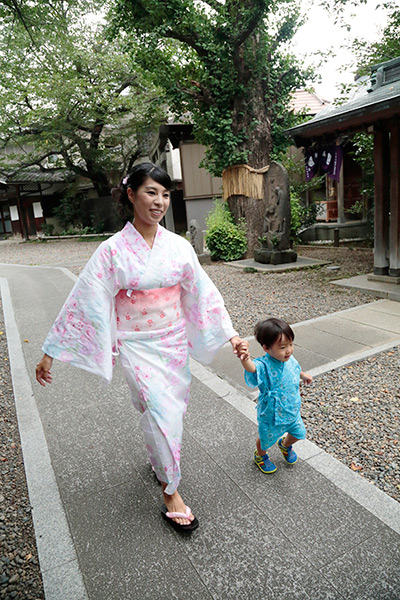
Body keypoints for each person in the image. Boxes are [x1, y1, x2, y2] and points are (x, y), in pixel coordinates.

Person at [36, 162, 245, 533]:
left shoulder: (178, 247)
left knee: (169, 410)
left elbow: (202, 293)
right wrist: (51, 351)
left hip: (173, 341)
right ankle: (171, 491)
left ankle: (158, 458)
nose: (159, 201)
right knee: (161, 410)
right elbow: (85, 299)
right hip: (135, 344)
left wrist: (230, 334)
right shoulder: (112, 251)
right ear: (131, 195)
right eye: (151, 192)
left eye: (165, 194)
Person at [237, 318, 312, 474]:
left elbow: (296, 369)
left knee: (298, 433)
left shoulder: (289, 359)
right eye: (282, 347)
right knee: (265, 438)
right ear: (266, 348)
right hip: (272, 413)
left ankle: (285, 445)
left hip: (291, 409)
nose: (289, 350)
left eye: (291, 344)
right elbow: (252, 368)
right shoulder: (264, 364)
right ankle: (260, 455)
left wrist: (303, 375)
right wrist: (245, 359)